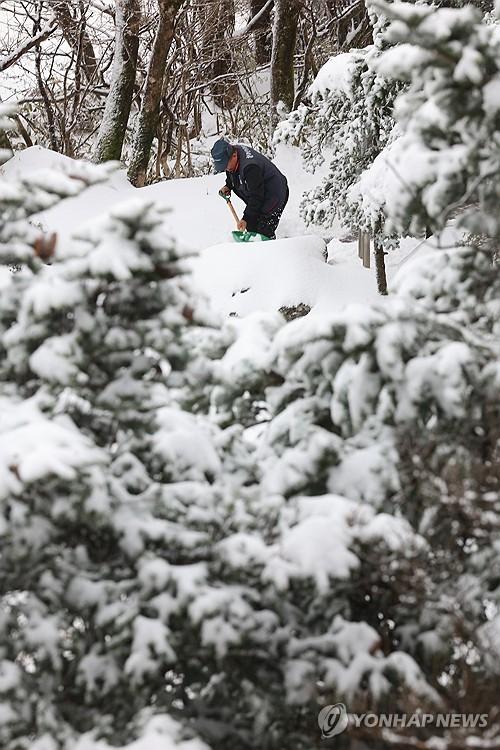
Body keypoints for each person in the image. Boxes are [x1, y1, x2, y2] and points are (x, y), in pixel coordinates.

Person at [211, 138, 289, 240]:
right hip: (260, 193)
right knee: (251, 226)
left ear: (234, 156)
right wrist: (228, 185)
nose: (226, 169)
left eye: (226, 165)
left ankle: (271, 250)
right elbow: (232, 172)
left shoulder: (251, 168)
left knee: (263, 233)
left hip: (274, 195)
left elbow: (256, 196)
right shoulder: (233, 155)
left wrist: (245, 218)